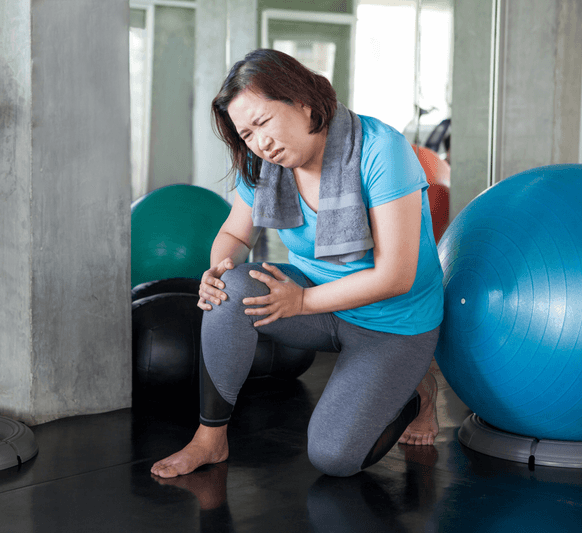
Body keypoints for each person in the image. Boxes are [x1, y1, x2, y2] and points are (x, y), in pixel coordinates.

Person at [151, 49, 444, 479]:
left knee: (334, 458)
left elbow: (396, 275)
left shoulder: (382, 150)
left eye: (264, 122)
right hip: (316, 305)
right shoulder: (264, 162)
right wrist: (219, 270)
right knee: (229, 288)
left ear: (303, 101)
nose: (259, 143)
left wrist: (304, 300)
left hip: (392, 320)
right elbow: (234, 235)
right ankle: (210, 439)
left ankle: (419, 391)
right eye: (247, 134)